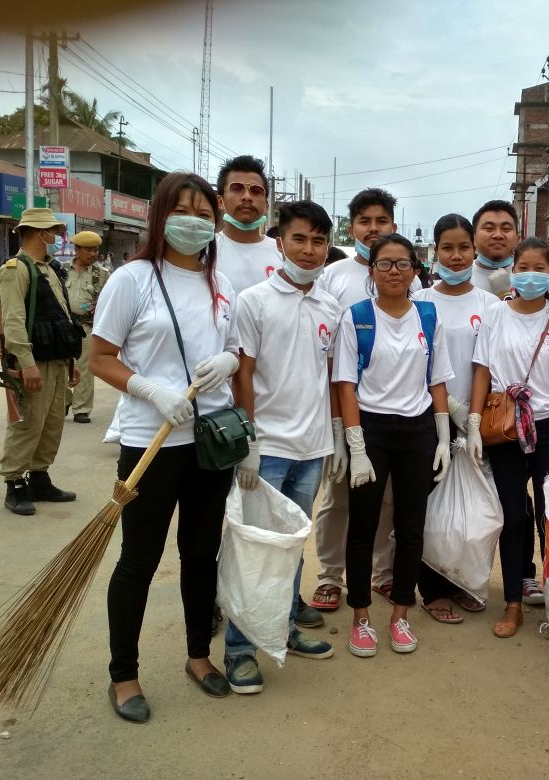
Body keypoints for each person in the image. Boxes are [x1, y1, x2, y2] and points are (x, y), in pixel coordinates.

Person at [91, 172, 241, 723]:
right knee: (139, 558)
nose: (194, 221)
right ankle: (123, 674)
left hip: (207, 442)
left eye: (205, 212)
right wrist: (149, 388)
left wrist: (229, 360)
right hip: (149, 443)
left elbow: (233, 347)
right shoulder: (133, 279)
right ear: (160, 216)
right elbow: (100, 356)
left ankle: (199, 655)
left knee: (201, 554)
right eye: (182, 210)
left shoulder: (219, 283)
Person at [222, 200, 338, 695]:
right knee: (256, 551)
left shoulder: (329, 306)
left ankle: (285, 628)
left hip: (311, 449)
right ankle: (239, 650)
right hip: (265, 449)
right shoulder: (253, 301)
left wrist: (335, 440)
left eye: (318, 241)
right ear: (280, 242)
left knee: (291, 549)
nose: (309, 251)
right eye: (299, 240)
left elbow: (329, 378)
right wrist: (247, 440)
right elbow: (242, 374)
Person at [332, 234, 453, 657]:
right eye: (385, 264)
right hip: (372, 431)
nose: (395, 271)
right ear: (372, 270)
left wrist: (442, 436)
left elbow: (437, 378)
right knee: (363, 527)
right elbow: (346, 384)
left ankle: (401, 614)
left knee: (410, 526)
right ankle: (360, 617)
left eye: (403, 263)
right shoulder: (357, 317)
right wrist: (354, 443)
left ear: (416, 269)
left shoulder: (428, 316)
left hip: (417, 431)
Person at [310, 188, 420, 613]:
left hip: (390, 415)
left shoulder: (409, 277)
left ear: (393, 225)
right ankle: (329, 577)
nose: (373, 228)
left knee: (387, 499)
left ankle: (381, 572)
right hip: (340, 405)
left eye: (381, 221)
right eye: (364, 221)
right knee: (339, 497)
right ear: (350, 226)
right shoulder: (333, 276)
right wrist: (339, 426)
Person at [467, 237, 549, 638]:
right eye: (524, 268)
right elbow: (481, 370)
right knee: (514, 515)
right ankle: (514, 601)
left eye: (539, 268)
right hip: (505, 426)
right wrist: (473, 423)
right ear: (512, 270)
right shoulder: (496, 315)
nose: (531, 275)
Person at [413, 213, 499, 623]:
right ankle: (432, 589)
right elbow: (417, 364)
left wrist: (475, 419)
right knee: (431, 509)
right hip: (430, 418)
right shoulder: (420, 303)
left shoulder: (491, 304)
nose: (457, 255)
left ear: (474, 249)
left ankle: (465, 579)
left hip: (477, 420)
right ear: (435, 251)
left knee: (477, 507)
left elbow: (487, 364)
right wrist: (447, 411)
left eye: (464, 246)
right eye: (447, 247)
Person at [0, 207, 81, 516]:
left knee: (52, 423)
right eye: (52, 231)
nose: (56, 236)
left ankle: (39, 478)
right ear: (37, 232)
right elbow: (14, 322)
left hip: (56, 359)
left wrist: (71, 362)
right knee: (28, 423)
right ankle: (14, 484)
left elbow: (61, 316)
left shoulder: (49, 268)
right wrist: (26, 363)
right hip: (33, 360)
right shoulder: (15, 269)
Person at [215, 155, 279, 295]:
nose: (247, 197)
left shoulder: (282, 254)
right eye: (237, 188)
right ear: (220, 201)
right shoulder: (205, 250)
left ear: (267, 206)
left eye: (256, 191)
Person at [66, 231, 110, 424]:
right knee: (59, 366)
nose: (93, 254)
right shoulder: (60, 269)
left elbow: (110, 302)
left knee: (84, 367)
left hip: (86, 326)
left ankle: (81, 408)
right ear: (77, 250)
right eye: (89, 250)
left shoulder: (102, 274)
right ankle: (63, 401)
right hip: (61, 326)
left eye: (95, 250)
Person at [470, 200, 519, 299]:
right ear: (473, 238)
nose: (498, 235)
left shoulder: (529, 278)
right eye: (488, 228)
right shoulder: (461, 277)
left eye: (506, 229)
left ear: (518, 239)